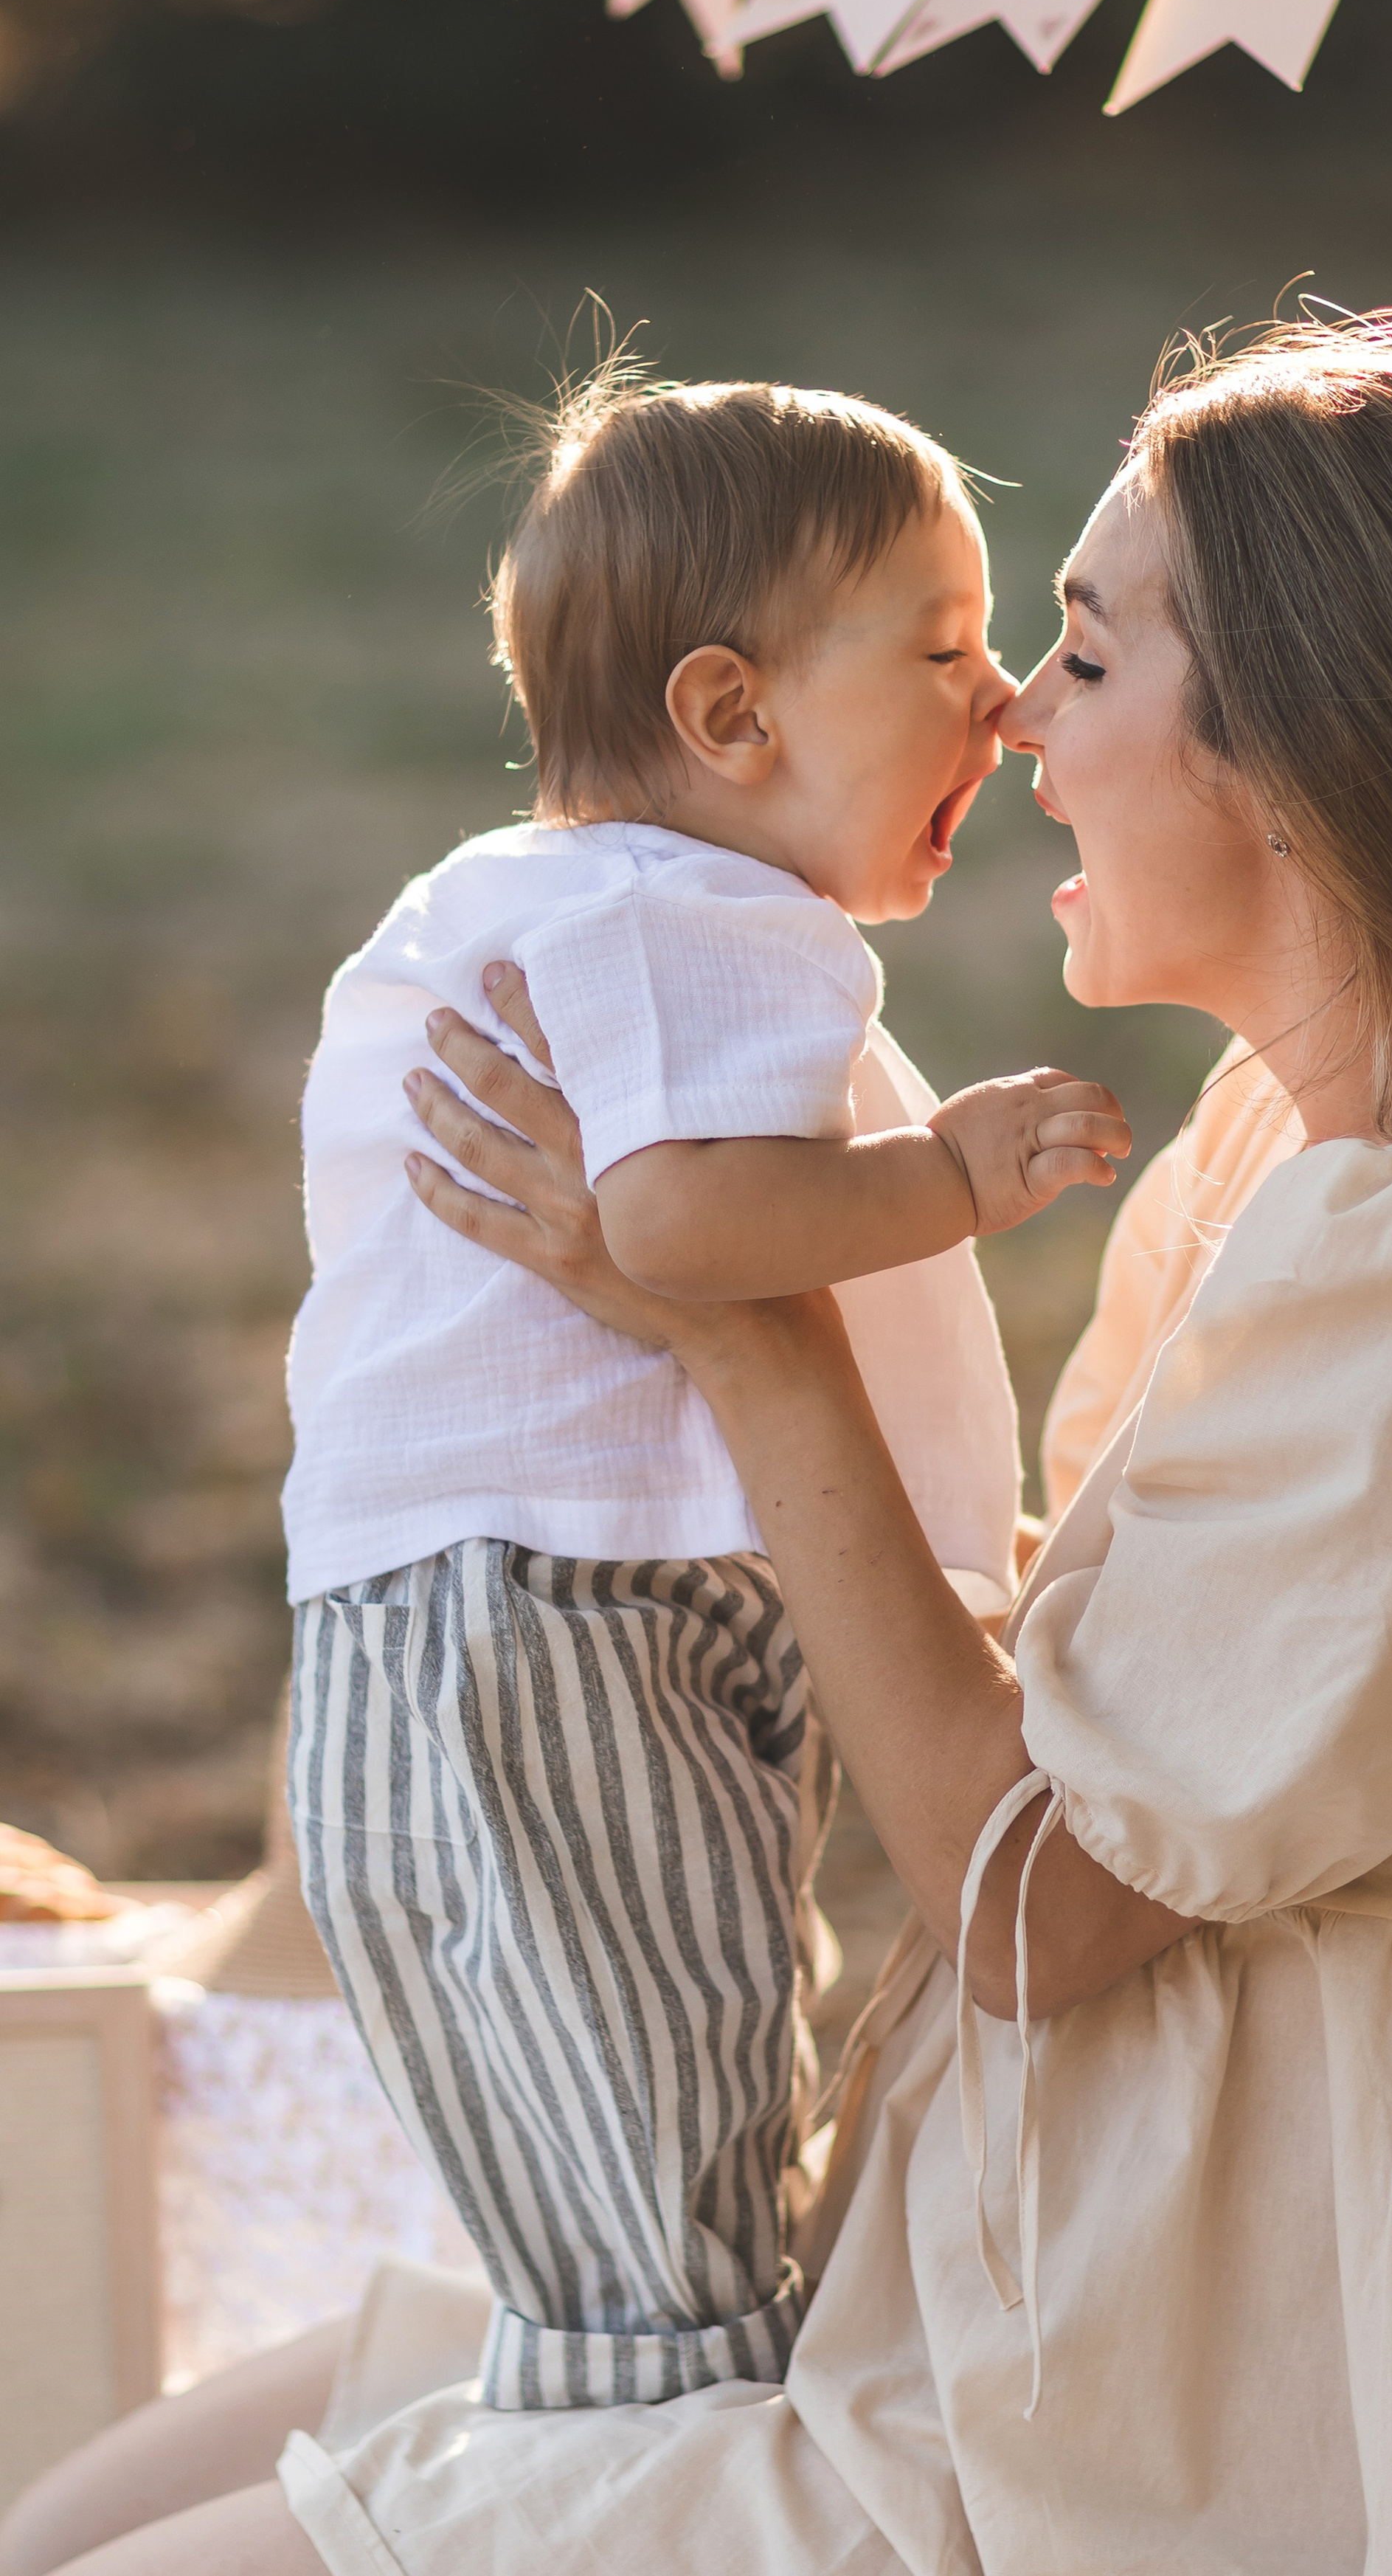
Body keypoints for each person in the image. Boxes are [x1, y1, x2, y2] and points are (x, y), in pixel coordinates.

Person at [16, 313, 1392, 2576]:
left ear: (1315, 757)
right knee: (70, 2517)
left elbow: (1038, 1907)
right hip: (951, 2272)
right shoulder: (1275, 1166)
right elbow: (1075, 1668)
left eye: (1080, 657)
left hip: (1139, 2434)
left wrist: (747, 1337)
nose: (1013, 721)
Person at [280, 373, 1126, 2414]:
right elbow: (671, 1223)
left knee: (599, 2106)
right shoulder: (714, 914)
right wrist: (950, 1176)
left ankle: (641, 2393)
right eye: (944, 650)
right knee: (668, 2104)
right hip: (584, 1615)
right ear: (733, 716)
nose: (1003, 704)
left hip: (446, 1613)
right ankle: (677, 2451)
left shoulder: (515, 894)